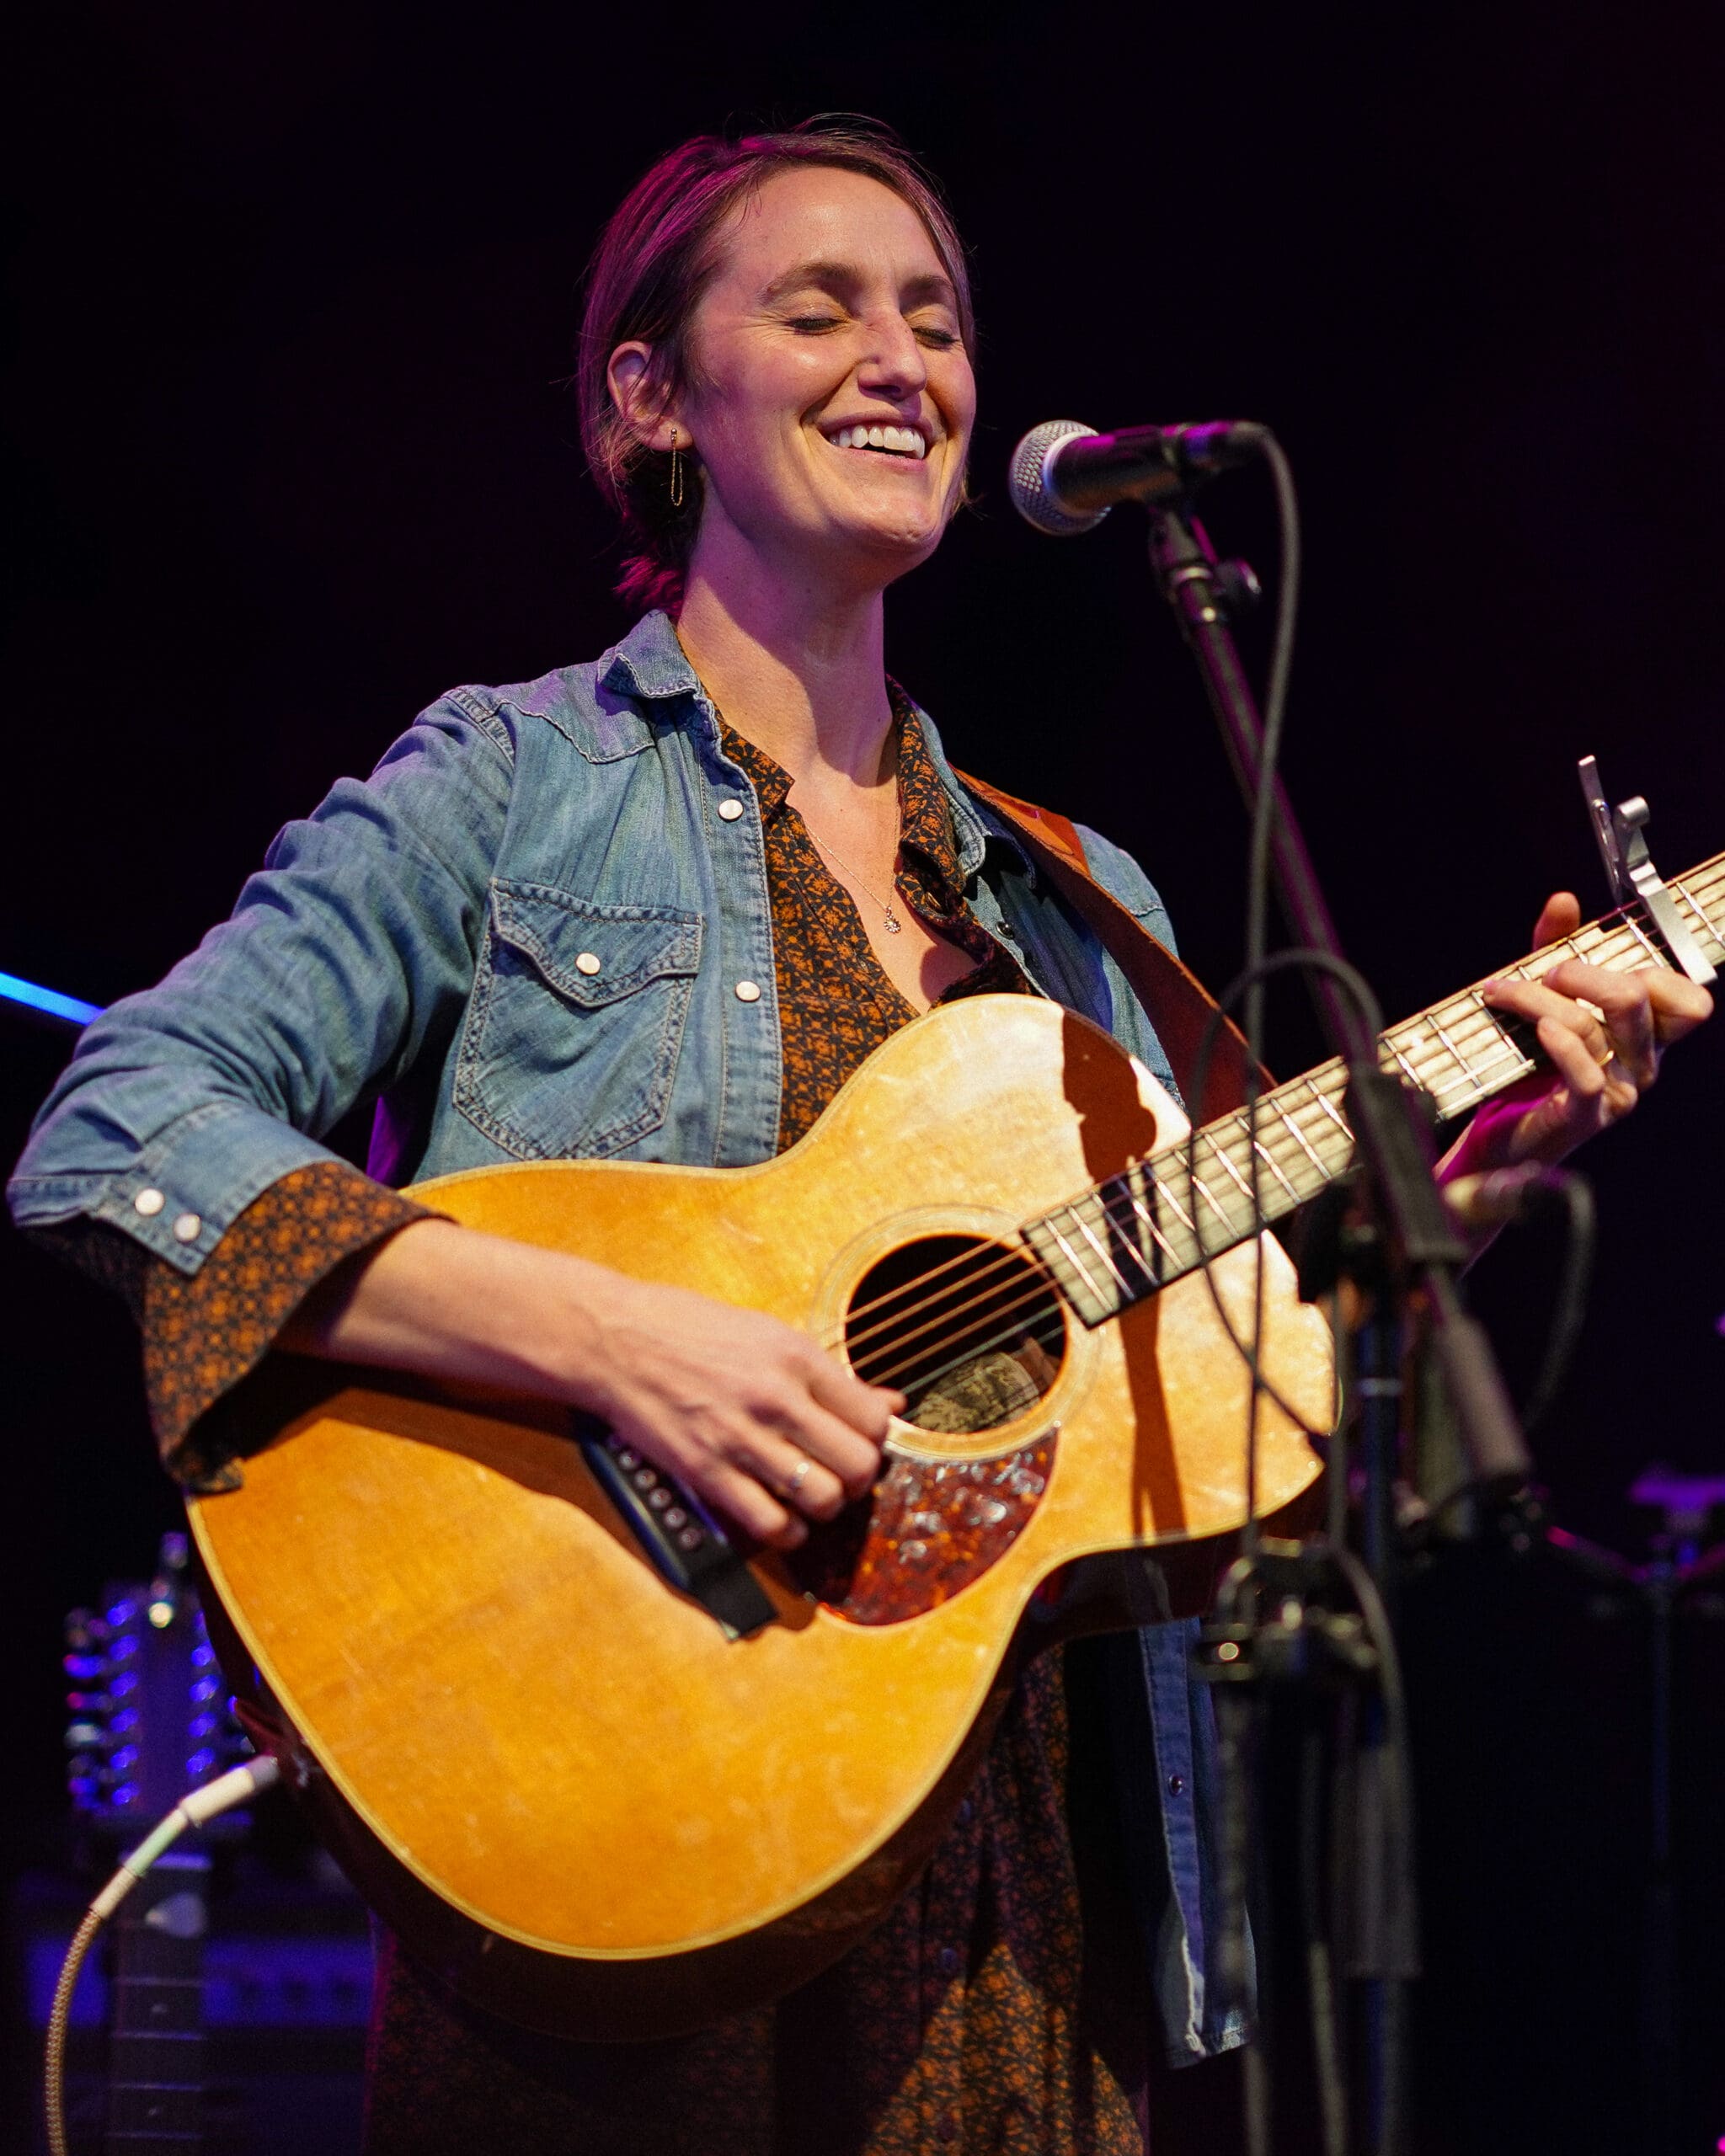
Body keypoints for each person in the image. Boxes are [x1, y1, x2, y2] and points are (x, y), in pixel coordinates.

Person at [9, 119, 1710, 2155]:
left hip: (1027, 1910)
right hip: (632, 1848)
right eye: (817, 308)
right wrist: (619, 1340)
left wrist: (1492, 1118)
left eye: (935, 317)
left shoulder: (1082, 904)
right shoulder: (514, 786)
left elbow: (1238, 1373)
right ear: (652, 399)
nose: (899, 358)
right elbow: (116, 1122)